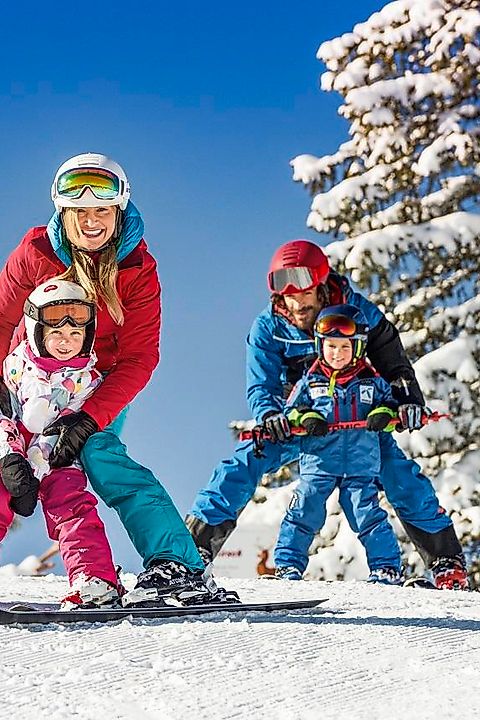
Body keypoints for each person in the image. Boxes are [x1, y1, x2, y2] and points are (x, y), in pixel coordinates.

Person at [0, 153, 229, 608]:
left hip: (91, 387)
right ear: (63, 212)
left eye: (102, 210)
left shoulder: (137, 269)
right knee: (6, 468)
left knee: (100, 457)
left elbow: (139, 357)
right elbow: (1, 320)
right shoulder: (36, 253)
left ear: (118, 209)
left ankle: (176, 565)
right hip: (26, 382)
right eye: (80, 211)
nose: (91, 221)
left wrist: (88, 419)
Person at [186, 239, 468, 590]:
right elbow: (261, 384)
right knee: (242, 463)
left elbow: (393, 362)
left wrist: (407, 401)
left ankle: (445, 563)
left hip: (360, 422)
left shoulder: (357, 311)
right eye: (287, 294)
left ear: (320, 285)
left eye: (304, 292)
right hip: (304, 422)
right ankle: (191, 553)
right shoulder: (269, 327)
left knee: (400, 476)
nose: (296, 303)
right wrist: (271, 415)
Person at [0, 280, 122, 608]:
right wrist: (9, 457)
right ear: (36, 331)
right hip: (13, 453)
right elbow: (3, 414)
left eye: (75, 333)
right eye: (56, 332)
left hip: (57, 457)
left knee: (71, 507)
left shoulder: (88, 380)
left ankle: (94, 580)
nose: (66, 341)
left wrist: (43, 463)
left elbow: (72, 423)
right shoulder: (14, 367)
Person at [274, 304, 402, 584]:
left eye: (345, 347)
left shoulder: (371, 381)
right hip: (319, 462)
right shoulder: (311, 381)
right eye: (331, 346)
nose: (337, 353)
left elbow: (392, 405)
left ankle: (386, 568)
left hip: (360, 463)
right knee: (304, 509)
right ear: (321, 346)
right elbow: (290, 410)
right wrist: (306, 417)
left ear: (358, 348)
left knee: (366, 514)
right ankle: (287, 566)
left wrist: (383, 413)